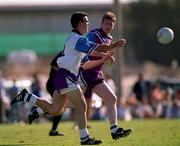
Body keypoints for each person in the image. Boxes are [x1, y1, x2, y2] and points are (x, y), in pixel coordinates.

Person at [11, 11, 127, 145]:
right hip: (66, 76)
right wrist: (114, 45)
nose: (88, 24)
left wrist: (104, 57)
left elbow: (86, 63)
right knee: (82, 105)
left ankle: (27, 96)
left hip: (66, 76)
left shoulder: (78, 41)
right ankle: (85, 138)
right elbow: (101, 47)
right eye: (86, 21)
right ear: (79, 24)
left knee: (55, 109)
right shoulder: (77, 39)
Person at [79, 11, 131, 140]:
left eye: (111, 24)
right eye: (106, 23)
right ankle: (41, 109)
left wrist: (108, 56)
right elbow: (90, 50)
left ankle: (114, 130)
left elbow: (103, 51)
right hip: (84, 72)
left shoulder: (109, 38)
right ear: (101, 23)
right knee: (68, 104)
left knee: (112, 98)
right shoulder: (93, 34)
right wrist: (107, 53)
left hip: (96, 75)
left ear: (113, 26)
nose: (108, 26)